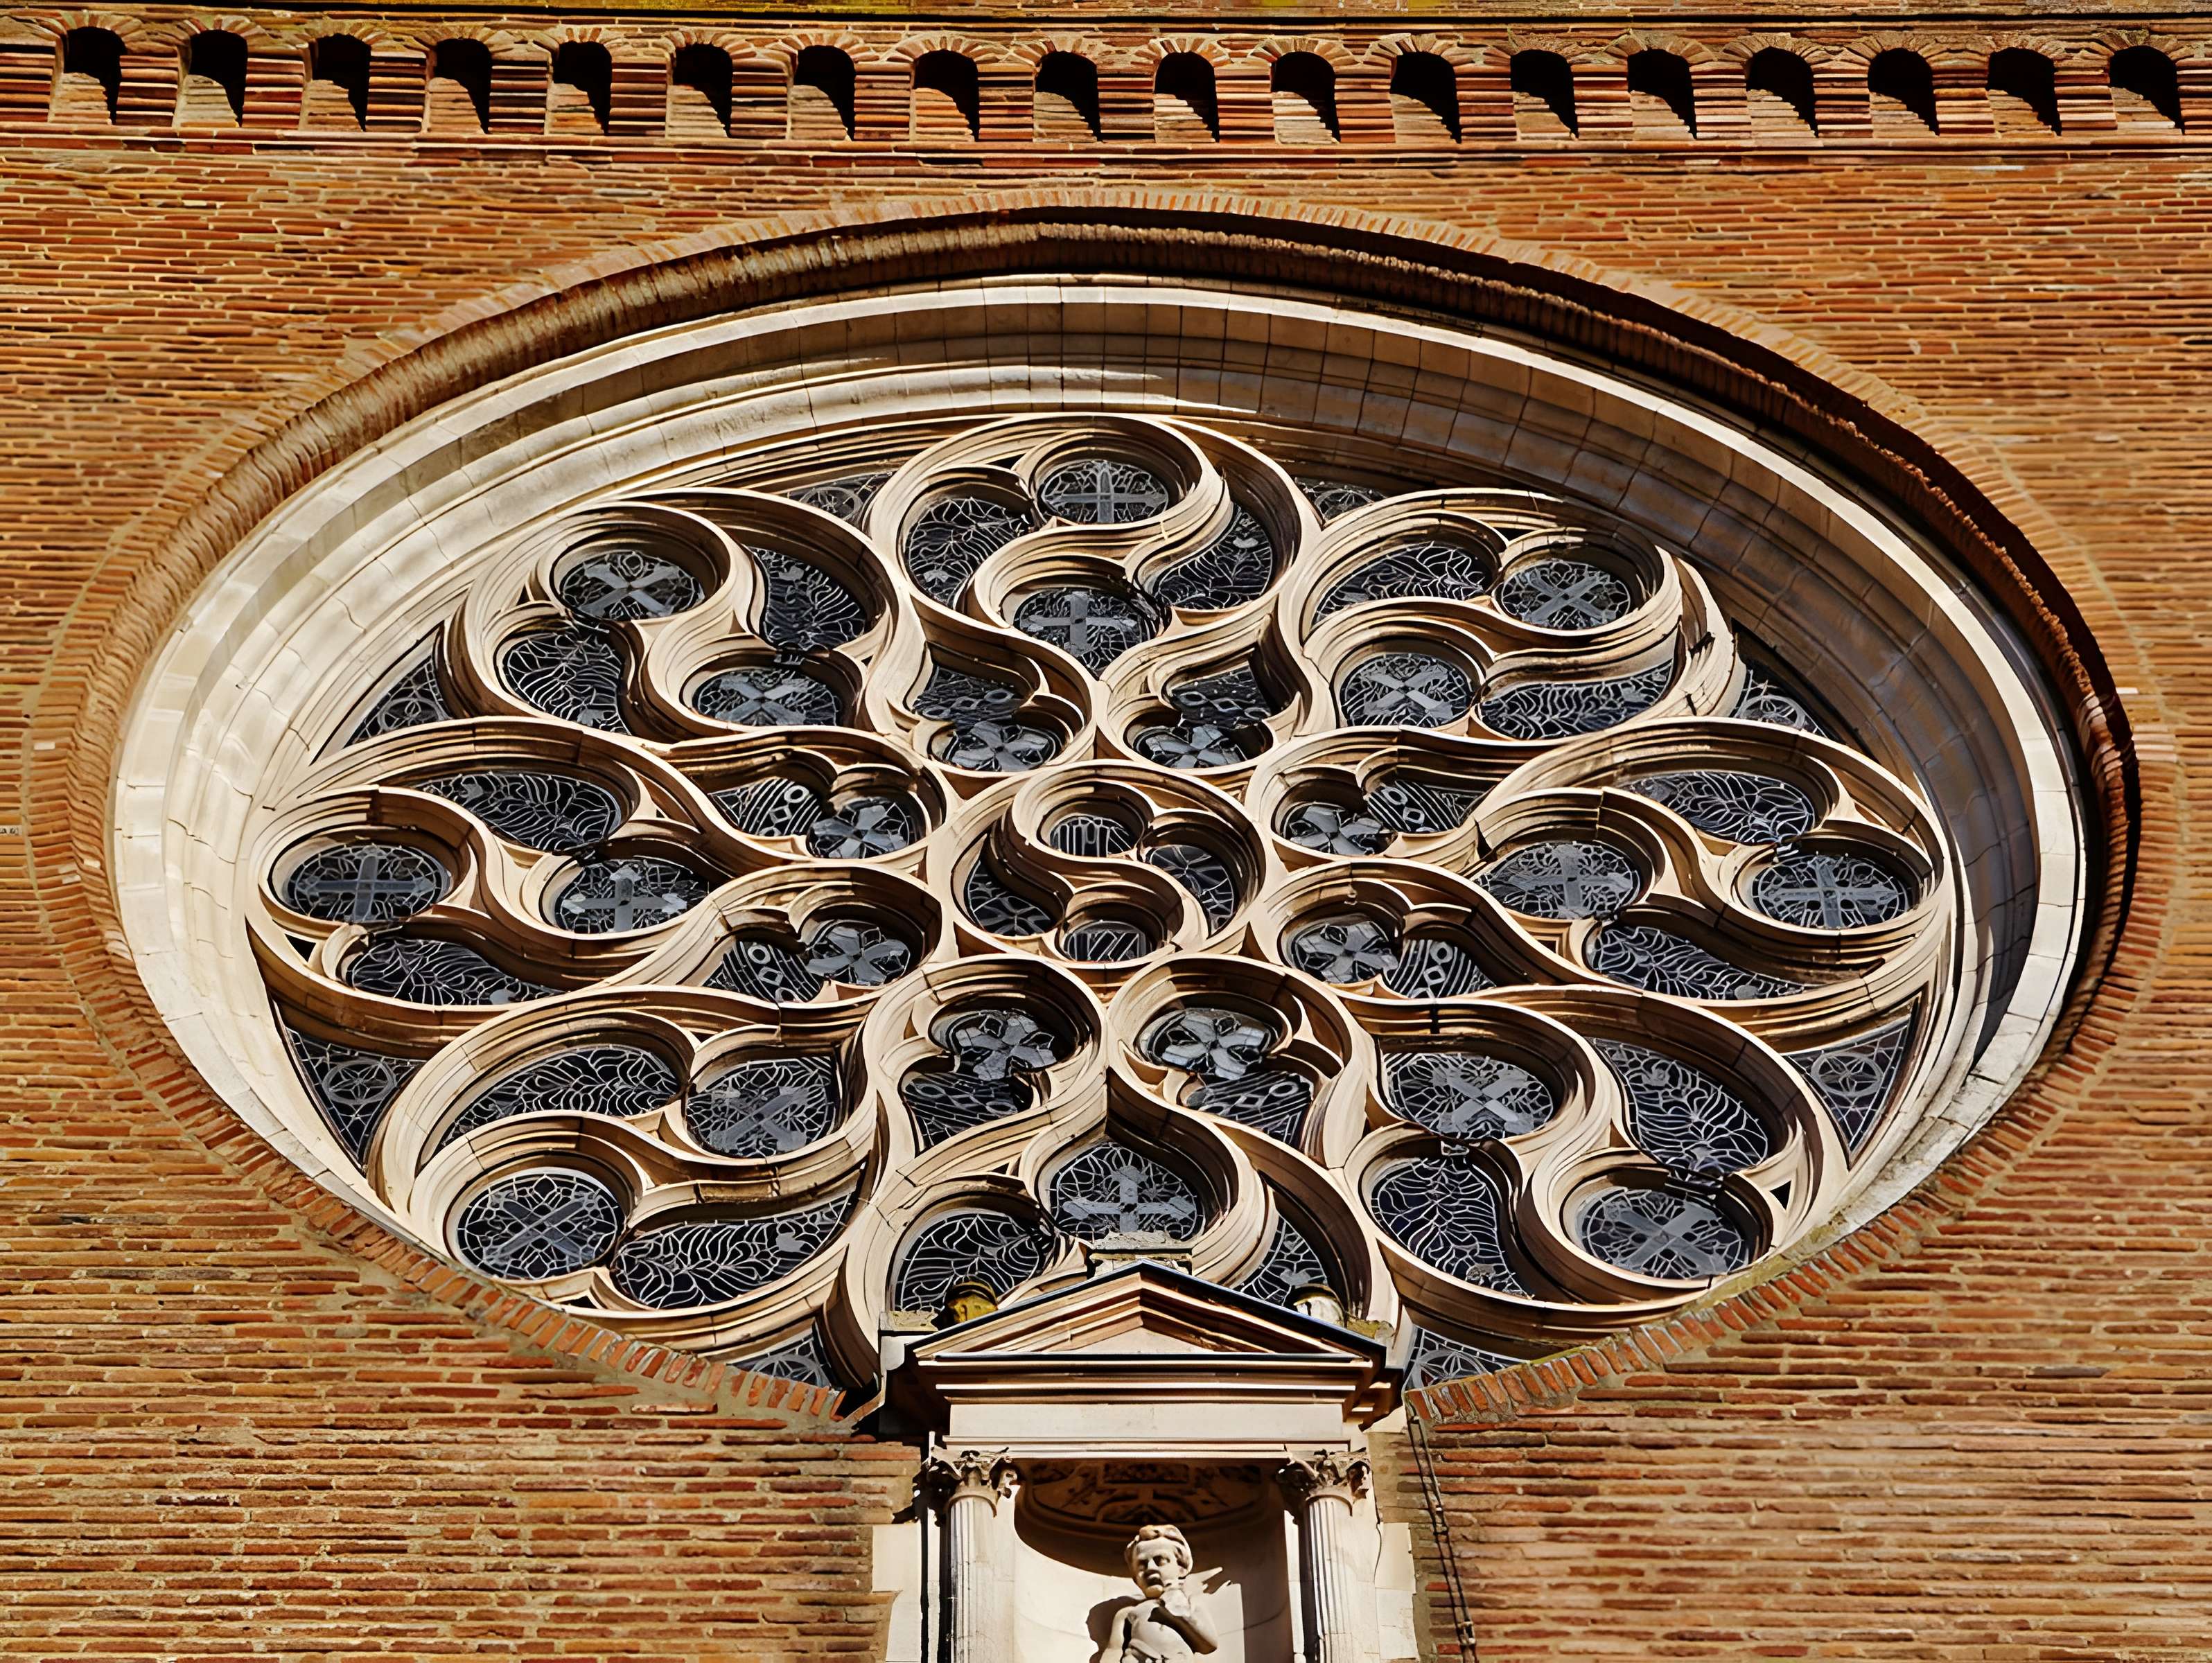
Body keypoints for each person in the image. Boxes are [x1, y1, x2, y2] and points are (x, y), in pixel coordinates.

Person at [1101, 1523, 1218, 1662]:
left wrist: (1176, 1605)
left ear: (1181, 1568)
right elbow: (1114, 1649)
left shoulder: (1190, 1604)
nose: (1150, 1568)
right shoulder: (1128, 1613)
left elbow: (1209, 1644)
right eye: (1142, 1564)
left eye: (1160, 1561)